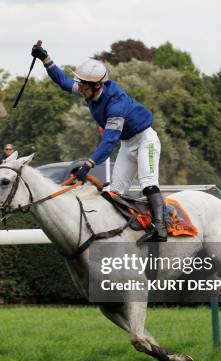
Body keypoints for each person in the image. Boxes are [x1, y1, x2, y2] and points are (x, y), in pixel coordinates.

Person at [31, 43, 167, 242]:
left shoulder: (116, 104)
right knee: (114, 193)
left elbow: (109, 141)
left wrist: (89, 164)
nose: (80, 89)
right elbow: (63, 82)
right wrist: (45, 59)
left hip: (146, 140)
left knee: (147, 183)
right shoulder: (90, 88)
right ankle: (126, 230)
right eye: (81, 85)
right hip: (128, 143)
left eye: (84, 86)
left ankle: (161, 229)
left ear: (97, 85)